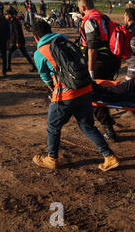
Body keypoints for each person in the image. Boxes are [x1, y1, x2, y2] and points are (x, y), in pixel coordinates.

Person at [31, 20, 119, 171]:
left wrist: (52, 87)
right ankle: (109, 156)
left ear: (36, 37)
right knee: (87, 126)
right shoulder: (64, 41)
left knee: (53, 126)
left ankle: (52, 158)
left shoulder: (40, 52)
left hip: (65, 95)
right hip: (84, 89)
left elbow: (45, 77)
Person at [78, 0, 120, 141]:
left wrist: (90, 71)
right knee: (102, 93)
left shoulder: (90, 21)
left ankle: (108, 129)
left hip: (98, 62)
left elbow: (92, 48)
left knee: (94, 96)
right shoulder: (104, 17)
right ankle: (108, 125)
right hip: (111, 60)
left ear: (83, 8)